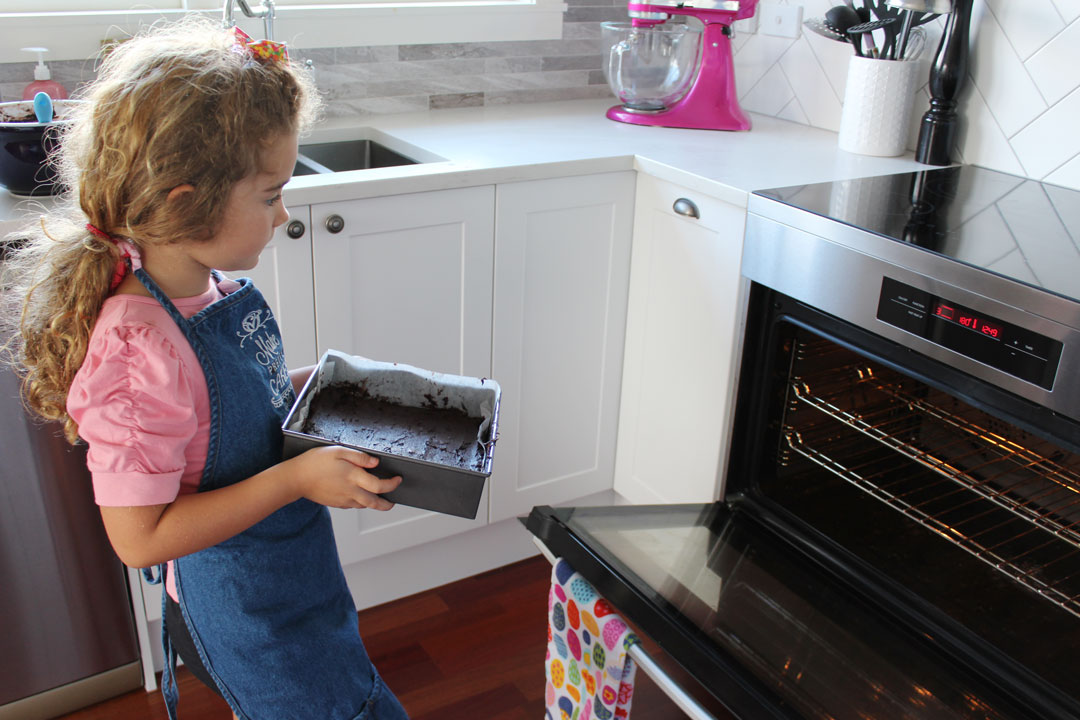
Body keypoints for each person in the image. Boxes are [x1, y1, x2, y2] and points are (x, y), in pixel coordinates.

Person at [1, 17, 410, 720]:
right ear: (184, 202)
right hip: (249, 612)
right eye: (269, 192)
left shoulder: (203, 286)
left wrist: (313, 386)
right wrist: (296, 477)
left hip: (293, 578)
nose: (284, 212)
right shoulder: (139, 346)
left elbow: (219, 407)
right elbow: (140, 538)